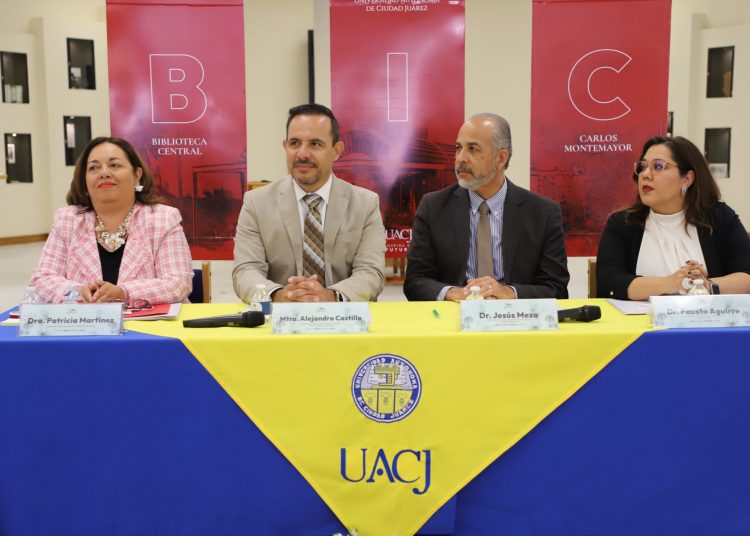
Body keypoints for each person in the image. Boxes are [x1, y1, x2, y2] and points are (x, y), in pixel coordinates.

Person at [404, 113, 569, 301]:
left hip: (515, 316)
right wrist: (454, 293)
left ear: (501, 158)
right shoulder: (433, 207)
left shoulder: (543, 213)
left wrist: (509, 292)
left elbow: (556, 289)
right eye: (458, 148)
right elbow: (415, 282)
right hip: (454, 314)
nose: (460, 158)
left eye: (473, 149)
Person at [233, 103, 385, 302]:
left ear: (336, 150)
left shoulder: (365, 204)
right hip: (279, 316)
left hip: (344, 316)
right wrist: (278, 295)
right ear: (285, 146)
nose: (302, 154)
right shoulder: (256, 203)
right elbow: (246, 270)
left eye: (315, 144)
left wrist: (330, 296)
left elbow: (371, 272)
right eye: (295, 143)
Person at [30, 137, 193, 304]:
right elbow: (42, 278)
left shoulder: (163, 218)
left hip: (152, 320)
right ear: (84, 180)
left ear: (137, 175)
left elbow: (178, 283)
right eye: (93, 168)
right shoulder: (67, 220)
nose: (104, 173)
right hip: (86, 319)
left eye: (114, 165)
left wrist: (123, 292)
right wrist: (75, 292)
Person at [596, 135, 750, 300]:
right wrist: (670, 283)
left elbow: (746, 275)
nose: (645, 174)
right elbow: (608, 283)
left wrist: (703, 285)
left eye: (658, 166)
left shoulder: (719, 217)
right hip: (642, 317)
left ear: (687, 179)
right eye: (643, 166)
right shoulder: (623, 223)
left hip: (705, 316)